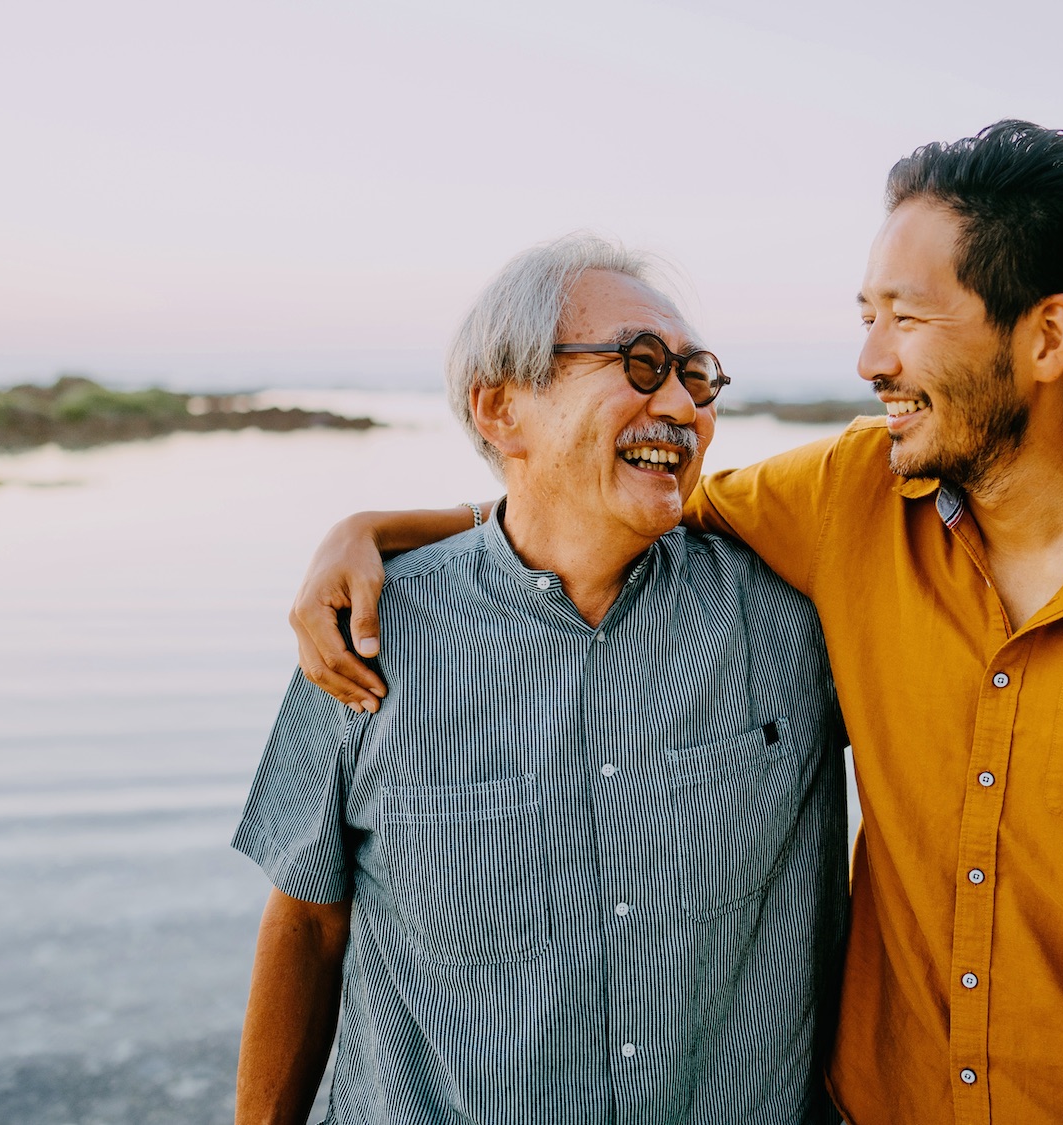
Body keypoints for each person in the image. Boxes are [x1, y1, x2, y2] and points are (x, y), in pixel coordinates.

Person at [292, 121, 1063, 1124]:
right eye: (867, 318)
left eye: (906, 318)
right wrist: (381, 528)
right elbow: (611, 499)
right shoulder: (846, 496)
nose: (870, 362)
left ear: (1045, 336)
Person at [232, 238, 851, 1124]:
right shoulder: (369, 633)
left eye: (697, 375)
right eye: (639, 365)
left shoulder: (795, 623)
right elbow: (305, 923)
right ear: (501, 408)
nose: (681, 403)